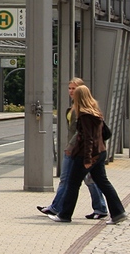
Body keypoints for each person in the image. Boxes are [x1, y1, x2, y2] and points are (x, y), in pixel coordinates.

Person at [50, 85, 127, 225]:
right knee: (103, 182)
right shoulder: (96, 112)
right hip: (100, 152)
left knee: (73, 183)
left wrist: (87, 159)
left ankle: (64, 215)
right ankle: (118, 212)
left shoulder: (85, 115)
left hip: (88, 155)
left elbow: (88, 138)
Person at [37, 77, 108, 220]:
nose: (71, 91)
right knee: (87, 180)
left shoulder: (82, 110)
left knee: (78, 180)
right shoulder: (73, 107)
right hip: (77, 149)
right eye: (69, 88)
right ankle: (100, 208)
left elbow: (82, 134)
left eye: (74, 89)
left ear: (81, 90)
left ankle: (60, 209)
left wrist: (73, 149)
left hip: (77, 150)